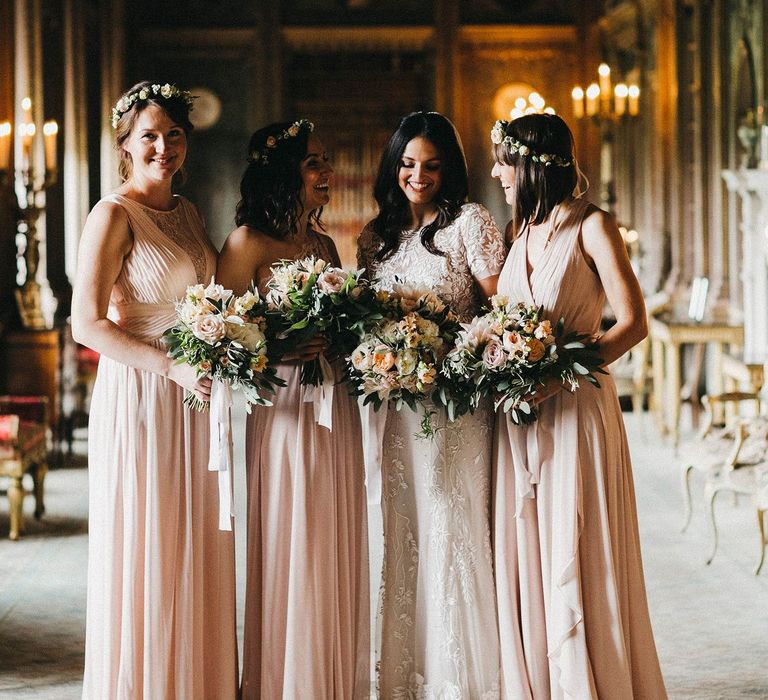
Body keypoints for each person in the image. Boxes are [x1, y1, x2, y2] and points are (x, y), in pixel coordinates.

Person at [489, 113, 667, 699]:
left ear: (531, 165)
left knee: (580, 541)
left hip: (576, 412)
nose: (495, 172)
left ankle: (598, 682)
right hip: (521, 418)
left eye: (503, 162)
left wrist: (559, 372)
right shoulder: (522, 229)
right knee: (533, 547)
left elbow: (633, 321)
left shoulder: (594, 226)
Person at [72, 81, 238, 699]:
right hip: (142, 396)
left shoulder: (190, 213)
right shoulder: (111, 214)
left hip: (194, 401)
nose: (163, 147)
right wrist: (168, 368)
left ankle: (193, 682)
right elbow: (86, 322)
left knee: (196, 540)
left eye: (173, 135)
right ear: (126, 145)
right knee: (150, 544)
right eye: (150, 136)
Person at [216, 120, 369, 699]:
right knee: (292, 538)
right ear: (283, 173)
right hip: (282, 409)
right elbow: (218, 338)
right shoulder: (247, 243)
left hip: (335, 403)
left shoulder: (325, 245)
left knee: (332, 535)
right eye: (314, 163)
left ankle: (328, 679)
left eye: (326, 161)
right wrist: (275, 346)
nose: (326, 172)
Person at [357, 111, 505, 697]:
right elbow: (367, 322)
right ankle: (405, 677)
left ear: (450, 171)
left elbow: (502, 314)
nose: (418, 176)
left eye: (432, 166)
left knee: (451, 524)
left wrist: (458, 357)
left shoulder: (472, 224)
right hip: (398, 406)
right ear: (394, 166)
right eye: (408, 164)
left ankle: (461, 680)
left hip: (457, 405)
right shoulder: (374, 238)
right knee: (403, 527)